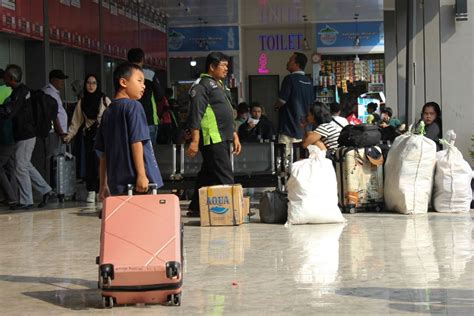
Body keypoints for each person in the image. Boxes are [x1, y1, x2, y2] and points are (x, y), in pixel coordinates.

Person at [95, 62, 163, 199]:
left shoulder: (108, 111)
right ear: (123, 82)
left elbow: (103, 153)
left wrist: (103, 184)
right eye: (139, 81)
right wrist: (142, 175)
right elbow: (136, 141)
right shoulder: (134, 106)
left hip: (117, 183)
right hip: (139, 182)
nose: (143, 86)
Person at [186, 52, 242, 217]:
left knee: (208, 172)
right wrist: (195, 140)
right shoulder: (201, 86)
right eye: (223, 66)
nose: (226, 69)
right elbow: (196, 113)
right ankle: (234, 210)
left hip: (224, 136)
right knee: (224, 173)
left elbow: (227, 112)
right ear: (212, 67)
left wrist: (235, 135)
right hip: (212, 136)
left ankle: (196, 207)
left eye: (227, 65)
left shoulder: (220, 85)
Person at [2, 64, 53, 209]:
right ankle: (46, 190)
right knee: (25, 165)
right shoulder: (20, 91)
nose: (3, 78)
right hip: (24, 134)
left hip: (26, 134)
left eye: (5, 76)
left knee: (20, 166)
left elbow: (10, 111)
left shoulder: (20, 92)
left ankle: (26, 201)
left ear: (11, 78)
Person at [63, 74, 111, 203]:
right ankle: (91, 190)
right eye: (89, 83)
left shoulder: (104, 100)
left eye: (94, 83)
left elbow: (112, 119)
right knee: (90, 164)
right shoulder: (82, 102)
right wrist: (69, 136)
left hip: (103, 136)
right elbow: (76, 121)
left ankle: (101, 189)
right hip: (89, 137)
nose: (91, 85)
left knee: (101, 163)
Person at [274, 52, 314, 156]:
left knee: (286, 159)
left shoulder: (289, 79)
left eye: (290, 60)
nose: (287, 62)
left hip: (289, 129)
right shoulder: (309, 81)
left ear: (297, 64)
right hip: (305, 131)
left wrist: (275, 106)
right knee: (303, 160)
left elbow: (282, 101)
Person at [127, 48, 164, 144]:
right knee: (148, 152)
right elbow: (160, 96)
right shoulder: (150, 74)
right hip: (149, 119)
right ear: (143, 59)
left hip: (128, 119)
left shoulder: (123, 75)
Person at [0, 68, 16, 207]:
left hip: (5, 136)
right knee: (11, 167)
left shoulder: (2, 91)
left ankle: (11, 197)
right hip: (13, 134)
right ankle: (13, 197)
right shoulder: (11, 90)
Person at [43, 69, 69, 140]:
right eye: (60, 79)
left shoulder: (53, 92)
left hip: (57, 132)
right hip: (54, 132)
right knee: (53, 151)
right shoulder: (50, 93)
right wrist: (60, 132)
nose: (63, 82)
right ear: (53, 80)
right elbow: (53, 115)